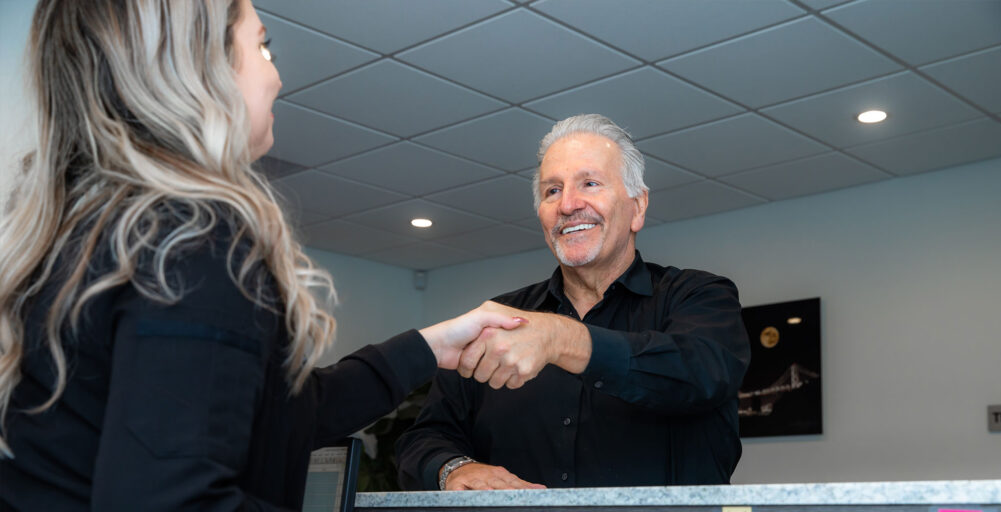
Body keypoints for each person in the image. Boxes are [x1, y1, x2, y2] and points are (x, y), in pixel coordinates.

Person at [0, 1, 526, 510]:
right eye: (263, 46)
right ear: (202, 64)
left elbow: (279, 415)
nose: (276, 76)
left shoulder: (93, 230)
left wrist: (430, 347)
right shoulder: (190, 240)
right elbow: (175, 498)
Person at [395, 114, 752, 491]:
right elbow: (423, 438)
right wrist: (453, 468)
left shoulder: (699, 296)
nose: (567, 205)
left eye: (590, 183)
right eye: (552, 191)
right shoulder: (496, 322)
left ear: (638, 207)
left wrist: (561, 339)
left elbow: (700, 374)